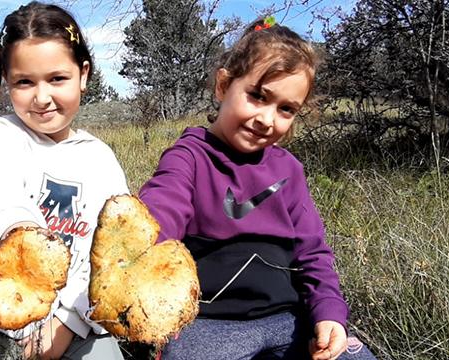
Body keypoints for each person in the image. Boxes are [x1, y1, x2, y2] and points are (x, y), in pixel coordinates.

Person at [138, 17, 377, 360]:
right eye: (257, 96)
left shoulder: (289, 171)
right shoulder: (189, 156)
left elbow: (313, 254)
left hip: (289, 321)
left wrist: (328, 315)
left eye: (285, 109)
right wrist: (145, 247)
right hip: (208, 323)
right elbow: (162, 209)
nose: (266, 119)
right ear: (223, 86)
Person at [0, 2, 128, 359]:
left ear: (84, 74)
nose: (42, 97)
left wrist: (66, 324)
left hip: (75, 321)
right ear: (6, 82)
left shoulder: (101, 159)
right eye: (24, 82)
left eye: (57, 79)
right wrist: (22, 241)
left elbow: (113, 255)